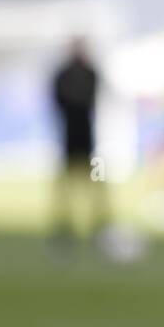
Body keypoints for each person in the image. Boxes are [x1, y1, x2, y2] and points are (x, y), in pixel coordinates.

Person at [51, 37, 110, 247]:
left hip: (87, 139)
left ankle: (99, 223)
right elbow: (61, 100)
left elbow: (87, 97)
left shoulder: (89, 73)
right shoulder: (64, 75)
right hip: (69, 138)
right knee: (65, 185)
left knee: (96, 183)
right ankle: (64, 226)